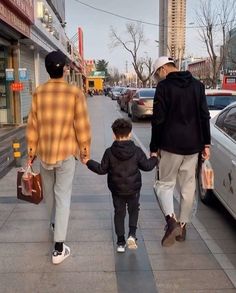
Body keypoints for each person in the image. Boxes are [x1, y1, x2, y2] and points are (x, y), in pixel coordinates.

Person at [26, 50, 91, 264]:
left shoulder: (38, 93)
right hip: (65, 153)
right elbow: (81, 124)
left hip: (44, 152)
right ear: (64, 69)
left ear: (47, 70)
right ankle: (58, 248)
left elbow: (33, 125)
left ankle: (54, 224)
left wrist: (31, 151)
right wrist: (84, 150)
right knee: (63, 196)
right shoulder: (74, 93)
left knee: (50, 194)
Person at [150, 56, 211, 247]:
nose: (158, 78)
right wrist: (206, 144)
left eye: (157, 74)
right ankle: (183, 227)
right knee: (188, 188)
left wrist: (153, 148)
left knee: (163, 185)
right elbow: (204, 116)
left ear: (163, 70)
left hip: (170, 145)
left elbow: (158, 120)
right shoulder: (197, 86)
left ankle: (171, 222)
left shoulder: (164, 87)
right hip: (193, 146)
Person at [83, 118, 157, 252]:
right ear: (129, 134)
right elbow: (146, 166)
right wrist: (154, 158)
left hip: (117, 190)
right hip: (133, 189)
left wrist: (88, 161)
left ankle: (120, 242)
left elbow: (101, 169)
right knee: (134, 210)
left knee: (119, 212)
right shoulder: (136, 151)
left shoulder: (109, 152)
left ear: (113, 135)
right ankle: (132, 235)